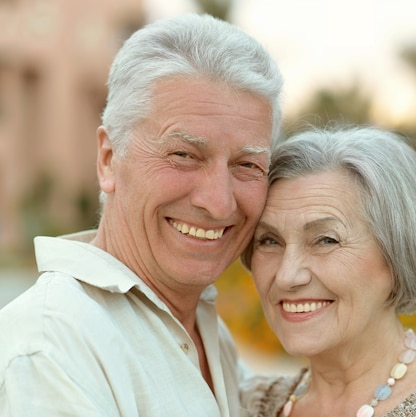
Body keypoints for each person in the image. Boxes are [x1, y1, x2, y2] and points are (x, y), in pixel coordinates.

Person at [0, 13, 282, 417]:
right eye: (184, 155)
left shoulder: (204, 327)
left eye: (247, 165)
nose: (219, 203)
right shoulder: (53, 346)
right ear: (109, 160)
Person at [239, 126, 416, 417]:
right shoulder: (249, 405)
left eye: (326, 240)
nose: (287, 276)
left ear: (398, 252)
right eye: (269, 241)